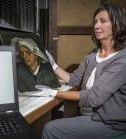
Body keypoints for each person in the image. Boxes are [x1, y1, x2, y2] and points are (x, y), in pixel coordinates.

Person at [34, 3, 126, 139]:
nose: (96, 26)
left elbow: (94, 97)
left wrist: (52, 92)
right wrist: (52, 64)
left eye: (103, 21)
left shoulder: (122, 60)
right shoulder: (92, 55)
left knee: (51, 129)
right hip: (87, 114)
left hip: (108, 122)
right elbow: (73, 79)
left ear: (117, 24)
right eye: (95, 22)